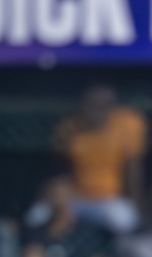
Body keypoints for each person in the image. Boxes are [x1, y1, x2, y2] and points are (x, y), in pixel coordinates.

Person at [52, 84, 145, 233]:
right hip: (76, 198)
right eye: (92, 105)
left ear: (113, 107)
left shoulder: (129, 124)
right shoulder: (69, 128)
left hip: (110, 200)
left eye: (104, 106)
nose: (97, 111)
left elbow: (133, 168)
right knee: (38, 216)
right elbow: (60, 169)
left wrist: (136, 203)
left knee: (124, 220)